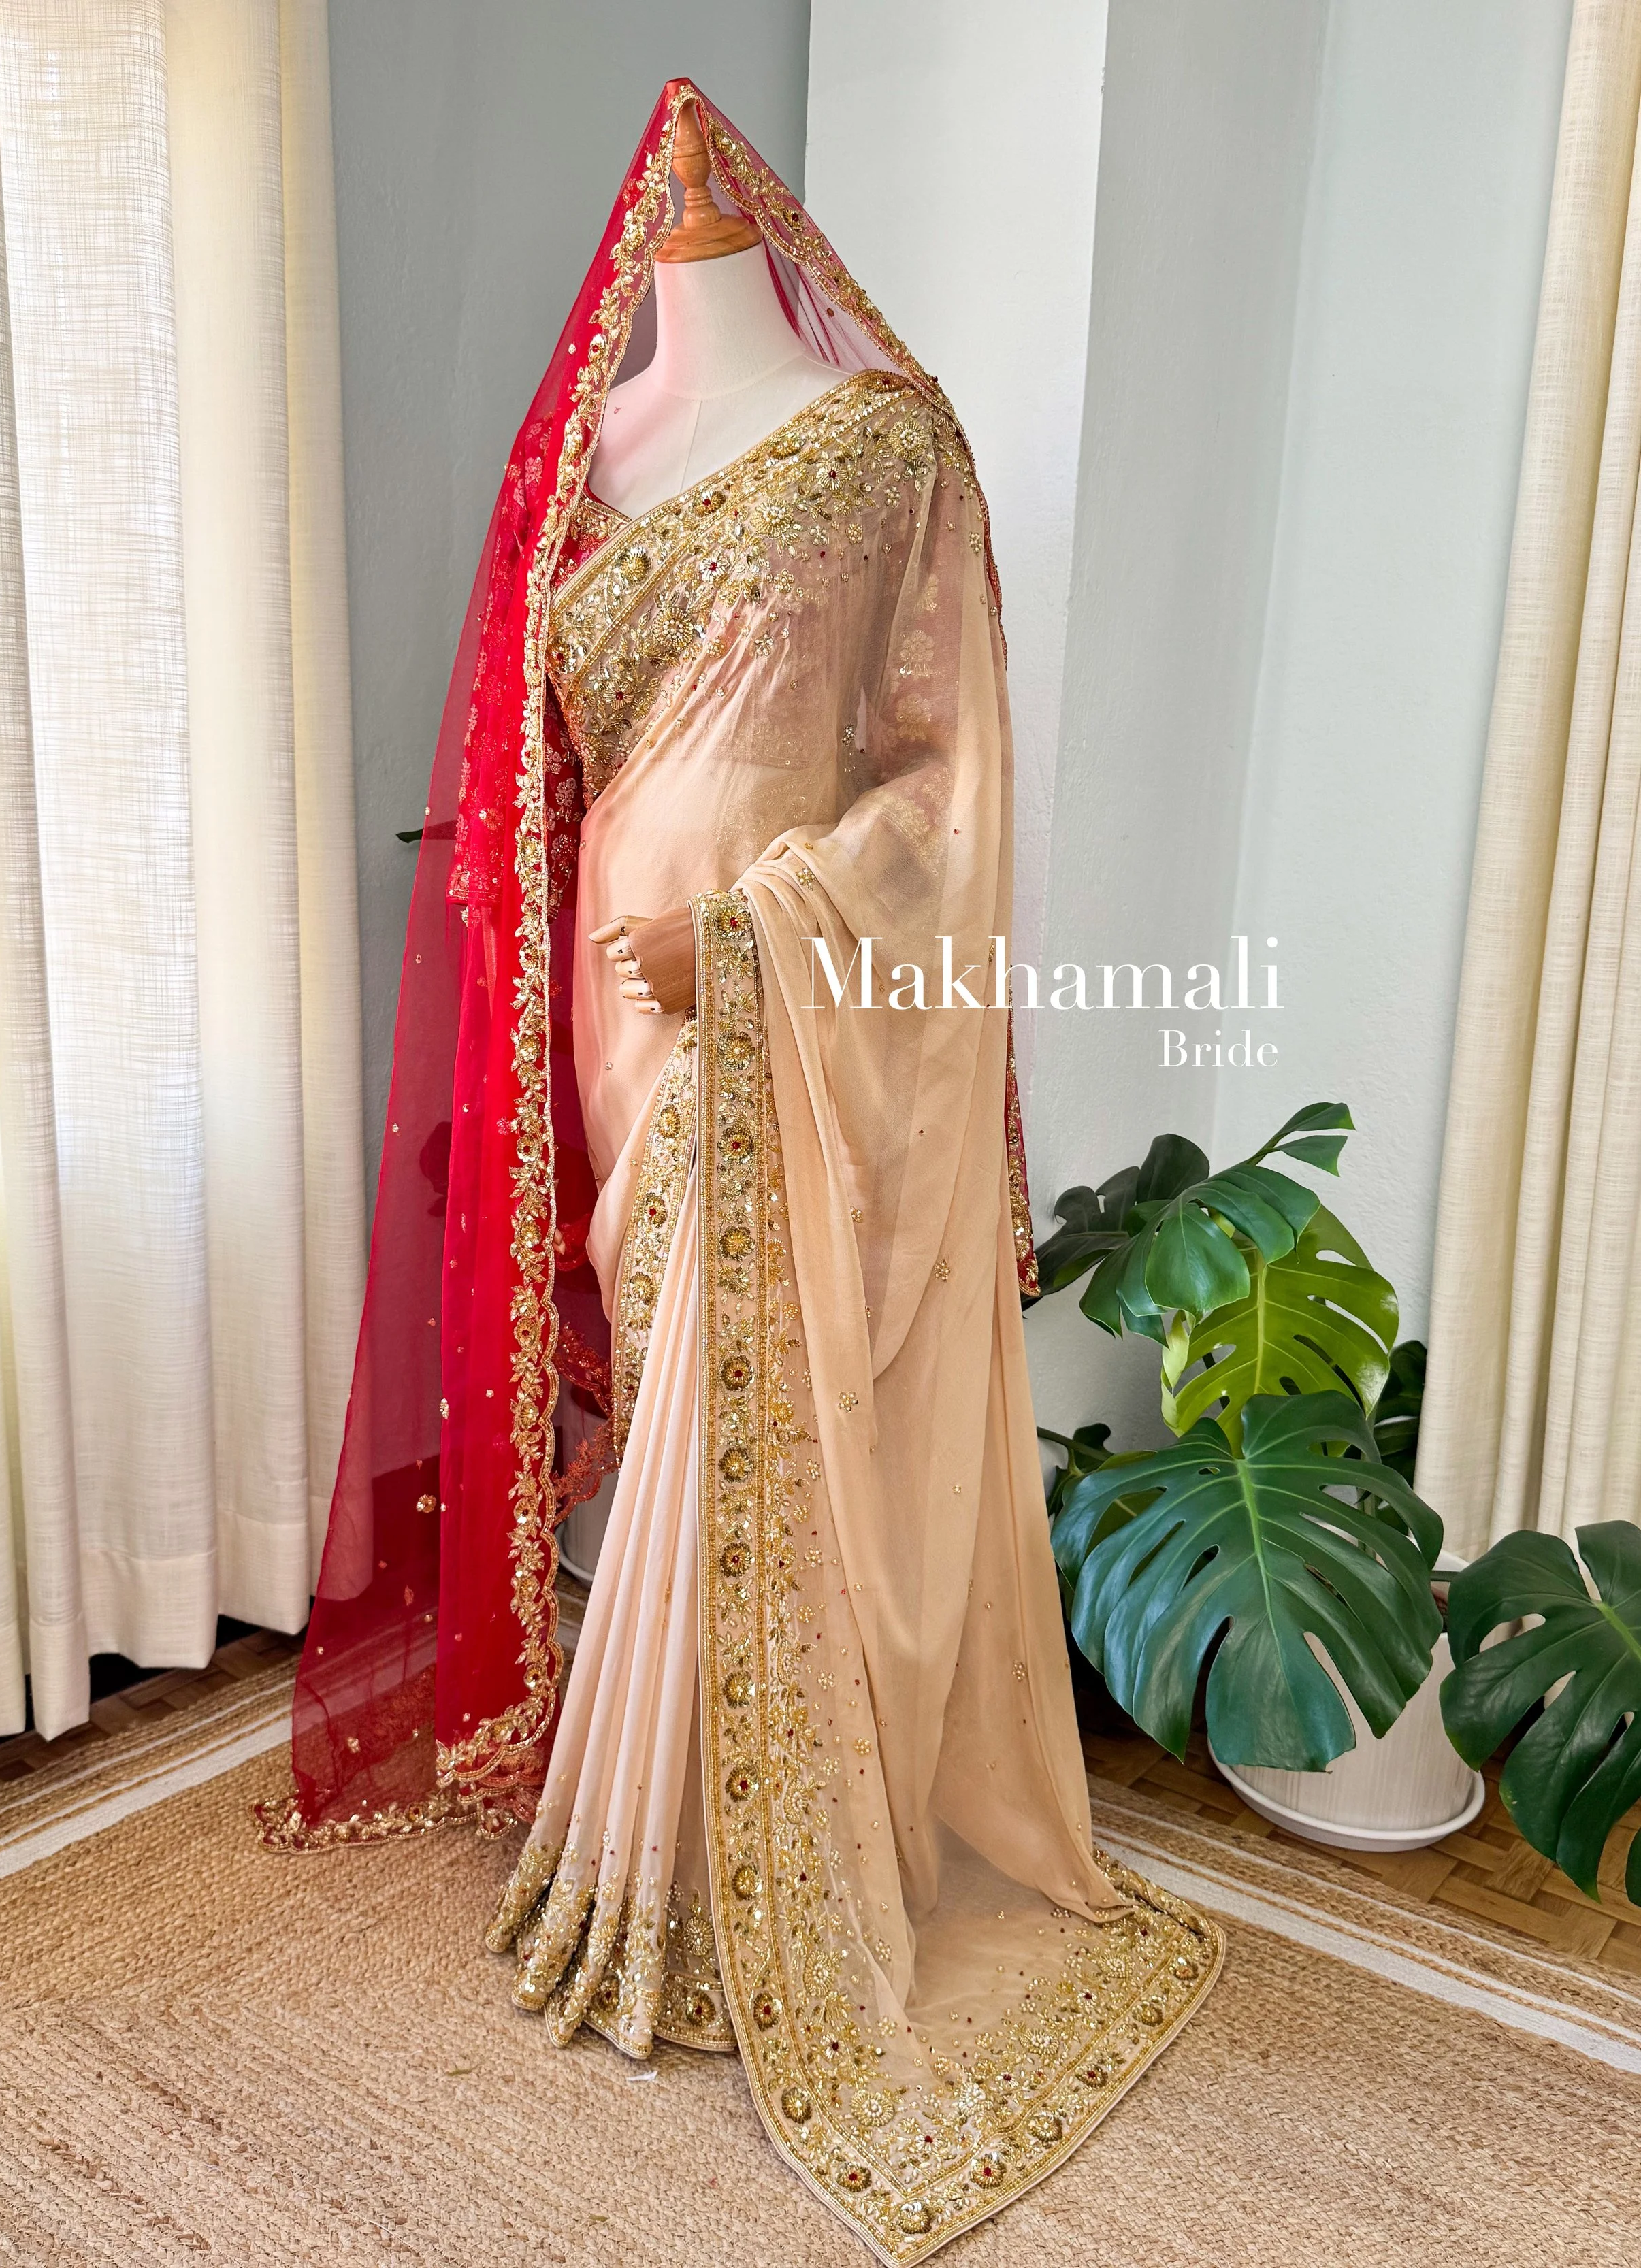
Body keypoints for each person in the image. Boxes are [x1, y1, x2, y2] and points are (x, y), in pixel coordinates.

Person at [270, 81, 1220, 2263]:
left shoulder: (886, 439)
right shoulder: (587, 462)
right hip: (610, 1010)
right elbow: (547, 782)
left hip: (762, 1005)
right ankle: (648, 1813)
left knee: (753, 1418)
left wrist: (766, 926)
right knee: (670, 1419)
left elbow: (940, 790)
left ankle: (726, 1855)